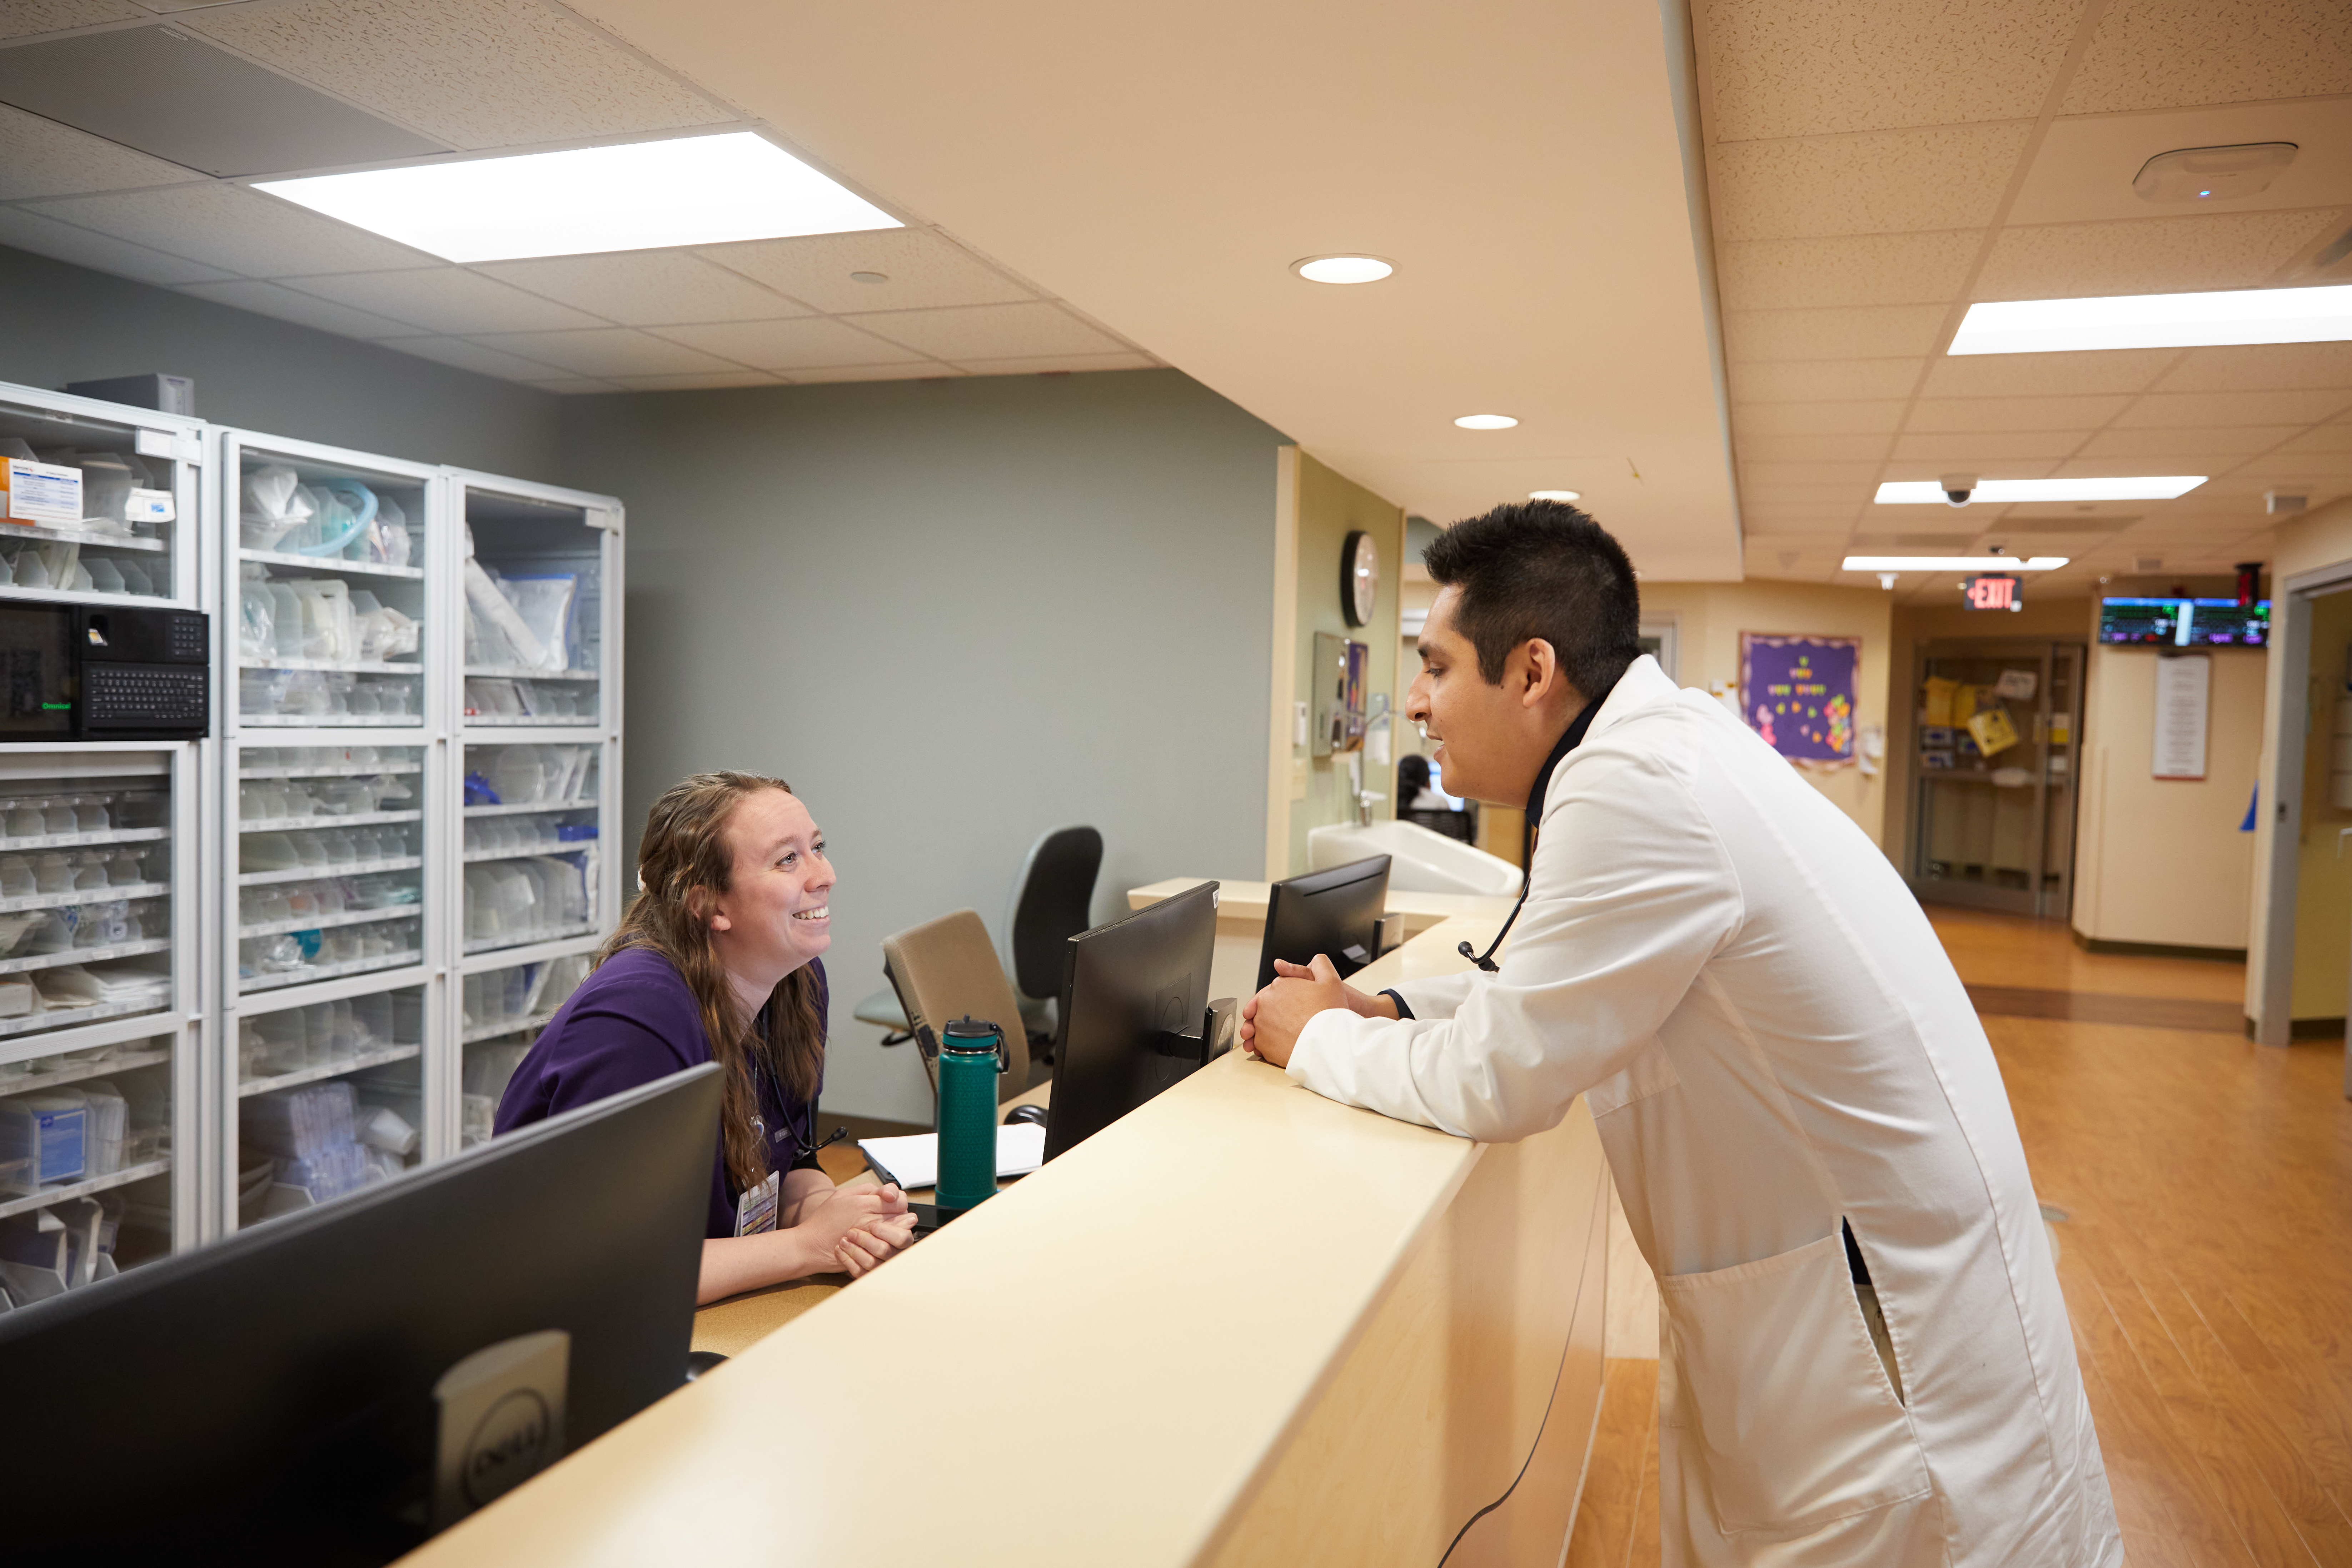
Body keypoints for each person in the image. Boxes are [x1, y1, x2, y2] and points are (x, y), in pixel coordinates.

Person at [1240, 502, 2119, 1567]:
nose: (1416, 701)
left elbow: (1503, 1080)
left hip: (1884, 1348)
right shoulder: (1653, 749)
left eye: (1433, 665)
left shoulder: (1633, 785)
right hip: (1841, 1298)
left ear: (1530, 671)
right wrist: (1387, 1010)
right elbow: (1571, 985)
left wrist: (1315, 1038)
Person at [497, 770, 917, 1305]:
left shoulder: (795, 981)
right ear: (709, 905)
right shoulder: (637, 1017)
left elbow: (796, 1162)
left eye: (817, 847)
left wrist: (836, 1221)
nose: (824, 874)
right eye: (788, 859)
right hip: (553, 1325)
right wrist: (809, 1245)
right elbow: (617, 1270)